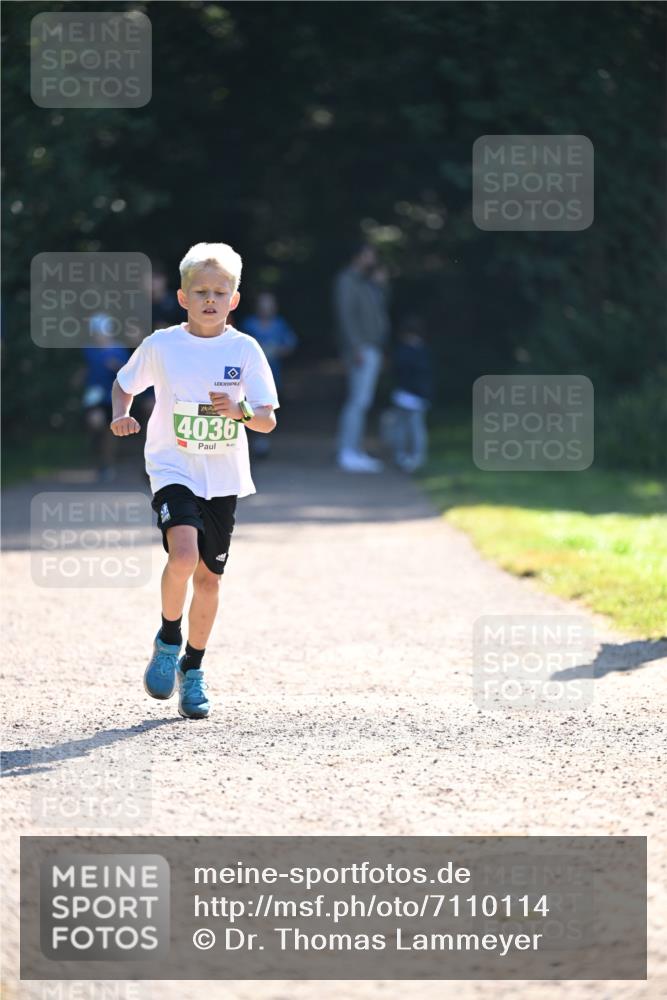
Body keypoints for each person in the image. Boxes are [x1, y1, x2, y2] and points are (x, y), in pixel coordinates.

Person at [110, 243, 279, 720]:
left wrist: (241, 411)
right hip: (172, 468)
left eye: (219, 292)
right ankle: (168, 640)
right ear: (182, 298)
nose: (210, 299)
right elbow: (124, 383)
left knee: (209, 578)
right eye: (200, 291)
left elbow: (266, 419)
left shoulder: (245, 350)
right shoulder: (162, 345)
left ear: (234, 299)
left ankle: (194, 667)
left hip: (222, 478)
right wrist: (122, 414)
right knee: (182, 554)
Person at [333, 243, 390, 473]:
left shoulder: (367, 282)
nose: (372, 260)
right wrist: (356, 346)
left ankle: (354, 450)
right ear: (357, 257)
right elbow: (345, 315)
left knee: (362, 401)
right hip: (361, 349)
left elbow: (380, 310)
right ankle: (347, 452)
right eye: (368, 255)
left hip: (371, 347)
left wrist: (381, 286)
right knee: (358, 401)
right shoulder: (347, 280)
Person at [242, 292, 297, 457]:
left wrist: (276, 350)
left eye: (269, 304)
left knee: (267, 409)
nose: (266, 308)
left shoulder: (280, 324)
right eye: (263, 303)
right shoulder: (249, 324)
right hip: (248, 378)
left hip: (274, 375)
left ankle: (262, 442)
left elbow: (290, 344)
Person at [81, 313, 131, 482]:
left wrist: (116, 367)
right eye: (96, 332)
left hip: (114, 399)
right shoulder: (88, 350)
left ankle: (107, 465)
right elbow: (85, 369)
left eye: (102, 332)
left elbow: (129, 375)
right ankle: (98, 459)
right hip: (93, 398)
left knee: (110, 431)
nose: (99, 336)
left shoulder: (120, 350)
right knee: (96, 423)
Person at [380, 316, 433, 473]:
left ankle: (401, 455)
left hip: (404, 395)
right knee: (416, 428)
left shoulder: (402, 352)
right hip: (419, 396)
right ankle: (417, 456)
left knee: (402, 427)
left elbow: (396, 372)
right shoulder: (424, 352)